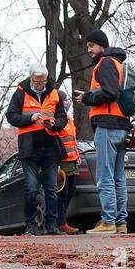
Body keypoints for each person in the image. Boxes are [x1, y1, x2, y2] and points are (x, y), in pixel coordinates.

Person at [74, 29, 130, 234]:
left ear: (102, 46)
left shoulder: (104, 63)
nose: (89, 49)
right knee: (118, 178)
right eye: (87, 46)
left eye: (92, 45)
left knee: (105, 176)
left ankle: (108, 221)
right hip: (121, 126)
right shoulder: (118, 63)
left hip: (107, 126)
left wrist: (87, 98)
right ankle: (121, 222)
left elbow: (109, 92)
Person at [5, 64, 68, 235]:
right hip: (29, 148)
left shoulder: (54, 93)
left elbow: (63, 118)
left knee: (51, 189)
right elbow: (11, 116)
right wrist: (30, 118)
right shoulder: (21, 92)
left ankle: (52, 224)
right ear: (31, 79)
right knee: (31, 188)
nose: (40, 85)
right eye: (37, 81)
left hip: (50, 147)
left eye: (43, 81)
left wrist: (55, 124)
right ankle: (30, 225)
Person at [50, 87, 81, 234]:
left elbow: (72, 141)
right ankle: (61, 223)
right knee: (62, 193)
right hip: (62, 162)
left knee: (71, 191)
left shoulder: (69, 120)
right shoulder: (56, 121)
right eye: (65, 100)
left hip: (72, 161)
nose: (67, 103)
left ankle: (61, 220)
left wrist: (78, 156)